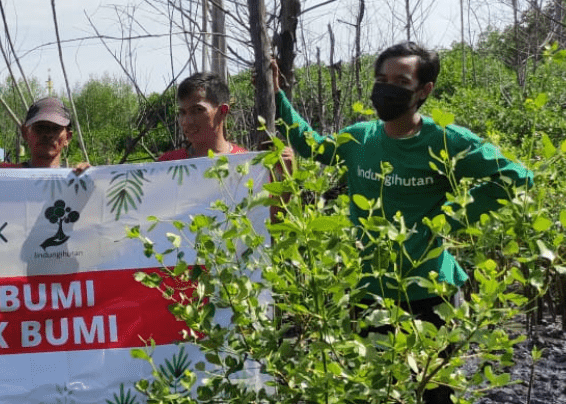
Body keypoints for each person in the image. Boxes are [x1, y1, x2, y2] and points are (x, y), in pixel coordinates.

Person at [271, 42, 533, 404]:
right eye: (381, 79)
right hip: (371, 289)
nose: (386, 88)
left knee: (435, 393)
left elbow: (516, 176)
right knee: (377, 390)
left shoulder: (445, 140)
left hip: (430, 292)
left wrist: (451, 221)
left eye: (400, 80)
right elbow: (314, 146)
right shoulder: (360, 138)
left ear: (423, 90)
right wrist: (277, 96)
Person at [157, 72, 247, 160]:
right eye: (182, 112)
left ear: (222, 111)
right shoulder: (168, 165)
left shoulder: (246, 163)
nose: (186, 121)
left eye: (197, 110)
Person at [0, 96, 89, 173]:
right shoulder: (3, 174)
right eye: (40, 127)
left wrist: (93, 179)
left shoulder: (77, 179)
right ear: (25, 133)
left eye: (55, 128)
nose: (48, 134)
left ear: (68, 137)